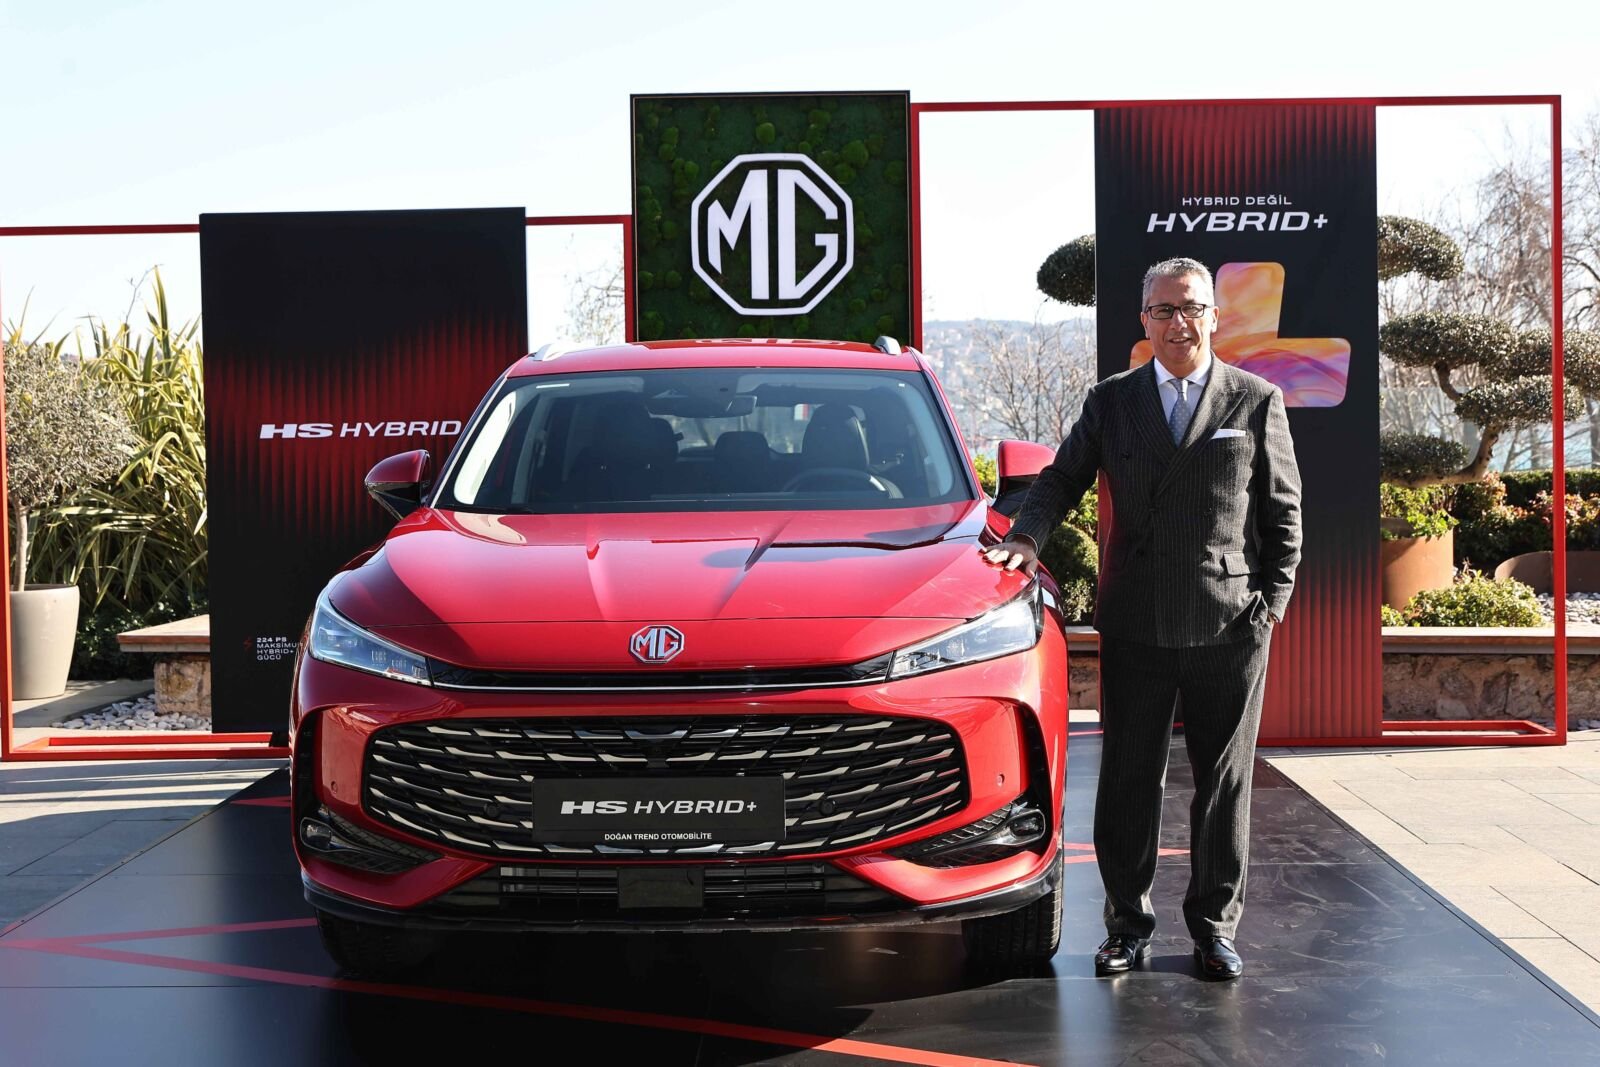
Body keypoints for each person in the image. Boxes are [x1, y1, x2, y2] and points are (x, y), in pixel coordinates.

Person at [982, 256, 1302, 981]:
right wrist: (1026, 540)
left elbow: (1284, 516)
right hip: (1136, 623)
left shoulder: (1255, 400)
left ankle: (1215, 928)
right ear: (1144, 321)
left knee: (1223, 785)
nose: (1178, 322)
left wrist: (1269, 608)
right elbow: (1062, 477)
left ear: (1214, 316)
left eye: (1190, 308)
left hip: (1230, 627)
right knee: (1129, 780)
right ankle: (1127, 926)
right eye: (1163, 310)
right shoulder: (1113, 400)